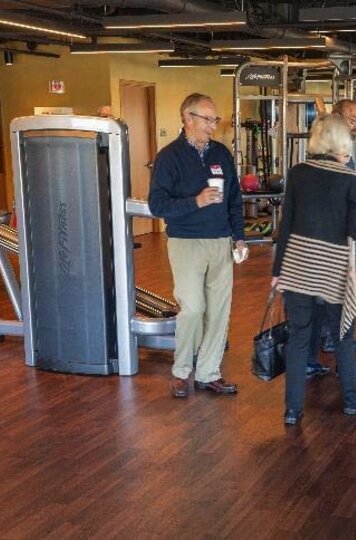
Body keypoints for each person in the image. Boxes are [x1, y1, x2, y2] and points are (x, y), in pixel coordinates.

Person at [148, 93, 246, 398]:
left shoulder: (221, 154)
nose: (213, 125)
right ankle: (181, 372)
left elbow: (234, 199)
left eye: (215, 119)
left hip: (220, 240)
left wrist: (239, 236)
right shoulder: (169, 157)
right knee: (192, 309)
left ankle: (208, 372)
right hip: (186, 241)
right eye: (208, 119)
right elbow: (157, 205)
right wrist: (197, 201)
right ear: (188, 118)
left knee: (219, 311)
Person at [271, 114, 356, 425]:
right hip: (334, 268)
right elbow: (353, 231)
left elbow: (285, 226)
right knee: (342, 336)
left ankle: (292, 410)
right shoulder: (351, 180)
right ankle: (351, 400)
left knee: (299, 338)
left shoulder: (297, 174)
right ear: (342, 144)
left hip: (298, 265)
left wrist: (277, 271)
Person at [306, 98, 356, 381]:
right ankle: (338, 361)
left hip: (325, 244)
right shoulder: (322, 164)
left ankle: (318, 355)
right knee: (335, 304)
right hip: (327, 245)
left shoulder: (315, 165)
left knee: (323, 307)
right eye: (353, 120)